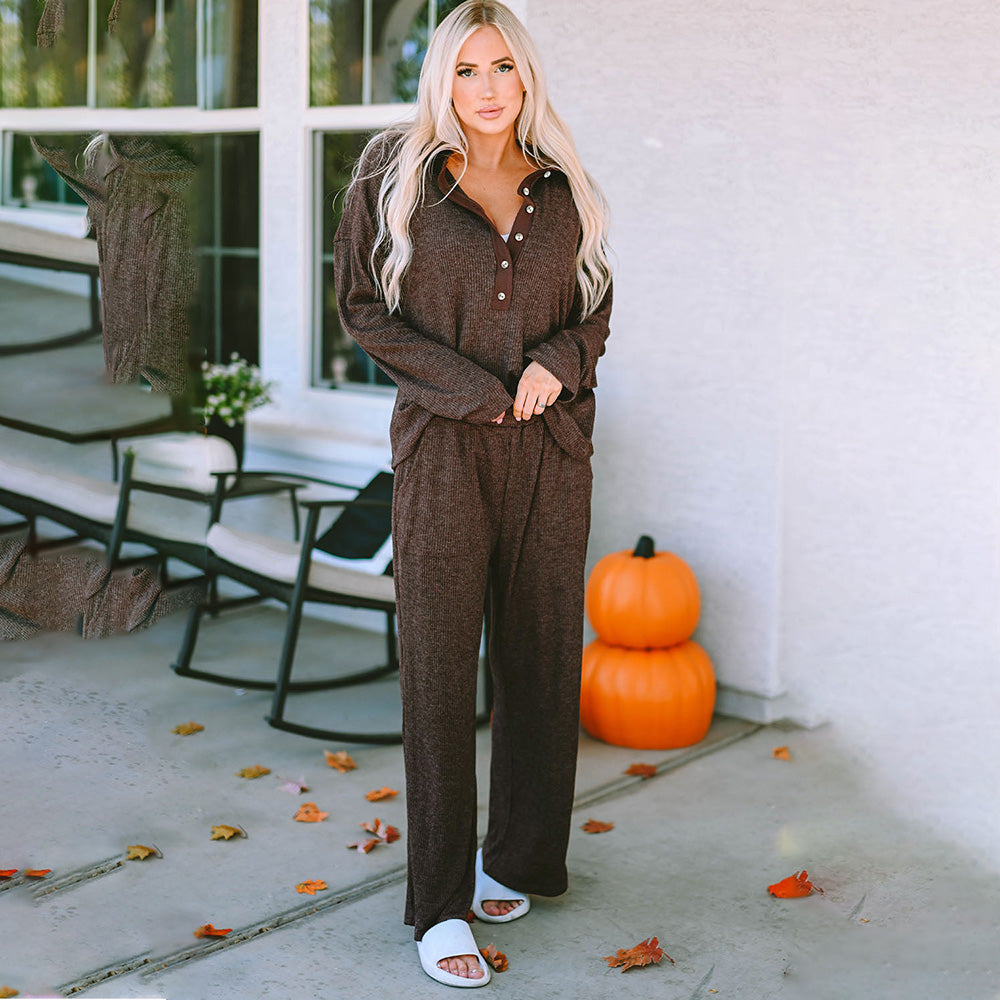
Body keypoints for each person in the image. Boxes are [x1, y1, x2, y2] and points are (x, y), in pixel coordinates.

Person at [333, 0, 613, 987]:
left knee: (540, 659)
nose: (488, 90)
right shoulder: (391, 172)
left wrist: (557, 359)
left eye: (503, 68)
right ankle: (439, 905)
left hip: (550, 451)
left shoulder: (560, 180)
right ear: (440, 80)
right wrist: (472, 392)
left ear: (525, 75)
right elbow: (361, 307)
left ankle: (522, 856)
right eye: (466, 71)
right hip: (445, 454)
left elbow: (594, 306)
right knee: (441, 675)